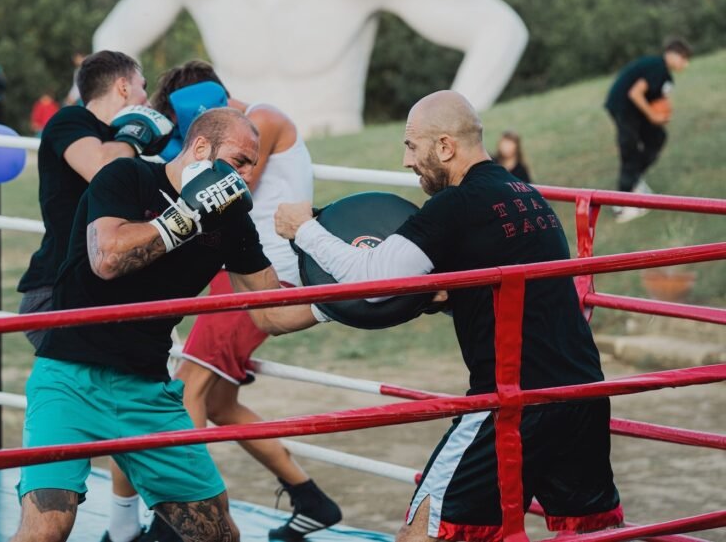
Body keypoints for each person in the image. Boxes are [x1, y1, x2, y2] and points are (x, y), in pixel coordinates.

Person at [275, 91, 623, 542]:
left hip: (514, 399)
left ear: (444, 147)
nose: (406, 161)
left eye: (411, 146)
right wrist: (449, 296)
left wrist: (303, 229)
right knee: (586, 534)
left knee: (424, 532)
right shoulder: (526, 194)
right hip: (583, 392)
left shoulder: (455, 205)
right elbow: (497, 278)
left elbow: (373, 282)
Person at [11, 108, 321, 542]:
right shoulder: (127, 177)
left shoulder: (231, 219)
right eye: (239, 161)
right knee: (47, 527)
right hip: (69, 380)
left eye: (253, 165)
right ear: (199, 148)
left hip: (149, 396)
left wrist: (348, 301)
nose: (248, 176)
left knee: (217, 535)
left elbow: (270, 310)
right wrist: (189, 215)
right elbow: (108, 258)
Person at [104, 60, 341, 542]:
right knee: (218, 402)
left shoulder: (264, 120)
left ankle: (176, 521)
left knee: (188, 386)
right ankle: (311, 499)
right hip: (237, 274)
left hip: (265, 277)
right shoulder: (227, 136)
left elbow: (223, 194)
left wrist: (179, 159)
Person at [93, 0, 528, 136]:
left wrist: (447, 133)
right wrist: (144, 127)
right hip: (231, 154)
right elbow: (111, 44)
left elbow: (499, 28)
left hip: (331, 140)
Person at [16, 50, 172, 351]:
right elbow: (101, 169)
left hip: (106, 290)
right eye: (143, 86)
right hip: (58, 292)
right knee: (88, 389)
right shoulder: (71, 119)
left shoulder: (126, 145)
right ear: (124, 87)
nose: (146, 98)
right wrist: (135, 134)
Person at [604, 38, 692, 223]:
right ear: (672, 54)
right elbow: (635, 93)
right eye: (684, 58)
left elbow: (660, 100)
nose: (686, 64)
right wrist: (652, 115)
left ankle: (634, 180)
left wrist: (661, 114)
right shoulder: (657, 67)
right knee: (629, 148)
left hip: (634, 111)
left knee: (657, 137)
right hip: (624, 108)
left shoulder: (665, 76)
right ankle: (621, 203)